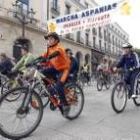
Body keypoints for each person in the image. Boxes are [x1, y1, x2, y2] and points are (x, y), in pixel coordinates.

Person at [36, 32, 71, 116]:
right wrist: (32, 61)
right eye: (48, 39)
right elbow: (42, 56)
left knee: (59, 86)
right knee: (42, 72)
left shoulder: (59, 48)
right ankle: (51, 90)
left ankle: (66, 105)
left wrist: (48, 58)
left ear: (56, 40)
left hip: (64, 69)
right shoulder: (49, 49)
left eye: (51, 39)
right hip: (56, 68)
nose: (49, 40)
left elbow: (56, 53)